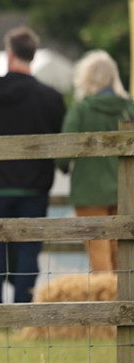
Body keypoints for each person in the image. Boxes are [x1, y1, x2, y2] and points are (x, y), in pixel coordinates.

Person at [0, 27, 65, 303]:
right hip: (33, 188)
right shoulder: (49, 98)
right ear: (32, 55)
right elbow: (60, 140)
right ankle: (24, 315)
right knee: (28, 251)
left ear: (9, 54)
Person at [57, 51, 134, 272]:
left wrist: (63, 166)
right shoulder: (128, 109)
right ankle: (126, 303)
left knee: (99, 255)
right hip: (125, 192)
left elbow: (63, 153)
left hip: (89, 192)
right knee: (124, 255)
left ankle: (104, 302)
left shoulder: (81, 110)